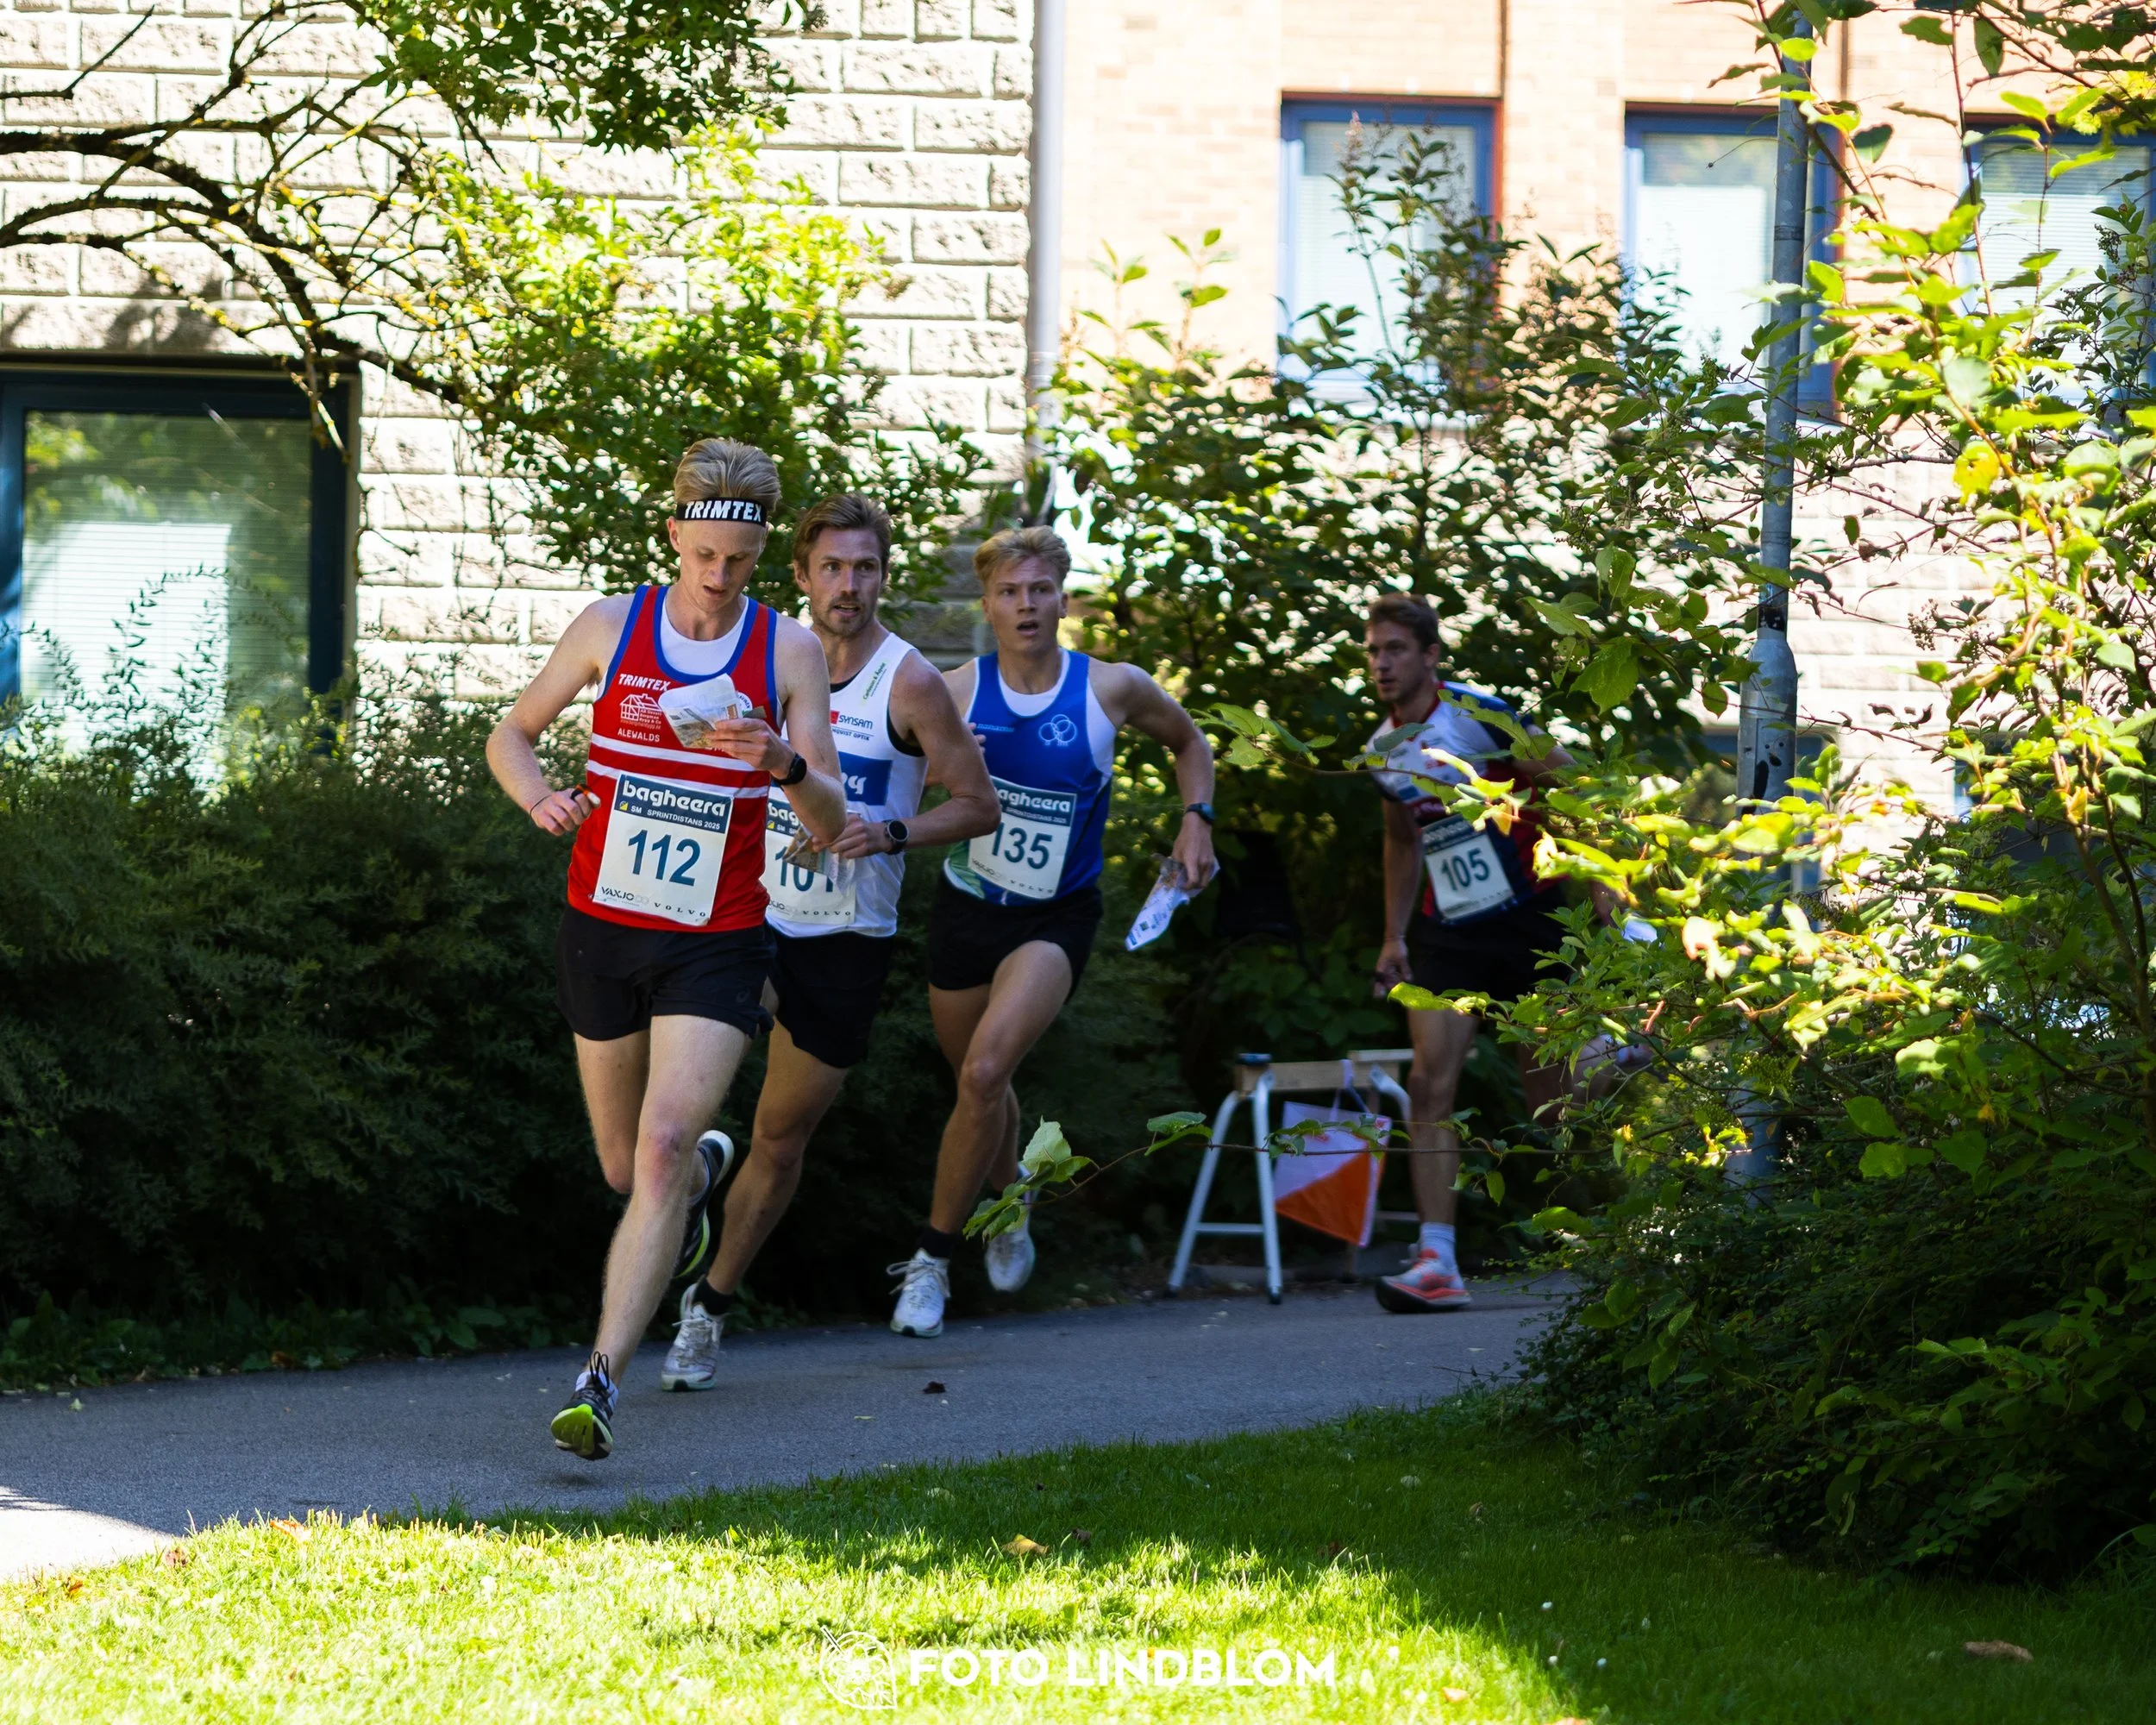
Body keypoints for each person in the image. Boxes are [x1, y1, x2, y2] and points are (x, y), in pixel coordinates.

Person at [486, 438, 847, 1458]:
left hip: (720, 939)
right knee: (623, 1163)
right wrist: (539, 794)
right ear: (676, 533)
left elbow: (827, 816)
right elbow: (511, 733)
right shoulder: (612, 625)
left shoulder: (786, 652)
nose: (719, 579)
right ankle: (696, 1179)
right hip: (604, 923)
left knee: (657, 1143)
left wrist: (781, 760)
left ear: (760, 552)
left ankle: (597, 1382)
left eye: (739, 563)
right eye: (704, 558)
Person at [660, 494, 999, 1389]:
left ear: (884, 576)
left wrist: (887, 831)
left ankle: (708, 1306)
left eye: (865, 568)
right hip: (744, 912)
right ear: (803, 576)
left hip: (844, 936)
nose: (849, 585)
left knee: (778, 1136)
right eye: (833, 568)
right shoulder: (765, 656)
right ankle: (685, 1161)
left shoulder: (911, 680)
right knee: (684, 1078)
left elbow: (978, 805)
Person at [887, 525, 1218, 1339]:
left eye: (1040, 590)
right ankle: (1012, 1203)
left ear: (1063, 598)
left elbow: (1190, 742)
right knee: (980, 1079)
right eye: (1009, 592)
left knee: (987, 1069)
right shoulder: (956, 690)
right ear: (988, 604)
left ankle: (931, 1261)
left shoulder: (1111, 688)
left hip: (1055, 916)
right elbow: (888, 764)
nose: (1026, 605)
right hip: (967, 912)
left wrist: (1196, 822)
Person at [1363, 592, 1578, 1315]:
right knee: (1430, 1085)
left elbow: (1569, 781)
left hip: (1531, 913)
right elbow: (1402, 841)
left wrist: (1600, 877)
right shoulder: (1380, 751)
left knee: (1548, 1102)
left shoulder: (1482, 716)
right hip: (1448, 925)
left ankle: (1620, 1056)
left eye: (1395, 649)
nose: (1382, 663)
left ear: (1430, 657)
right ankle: (1437, 1258)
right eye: (1373, 651)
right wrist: (1393, 936)